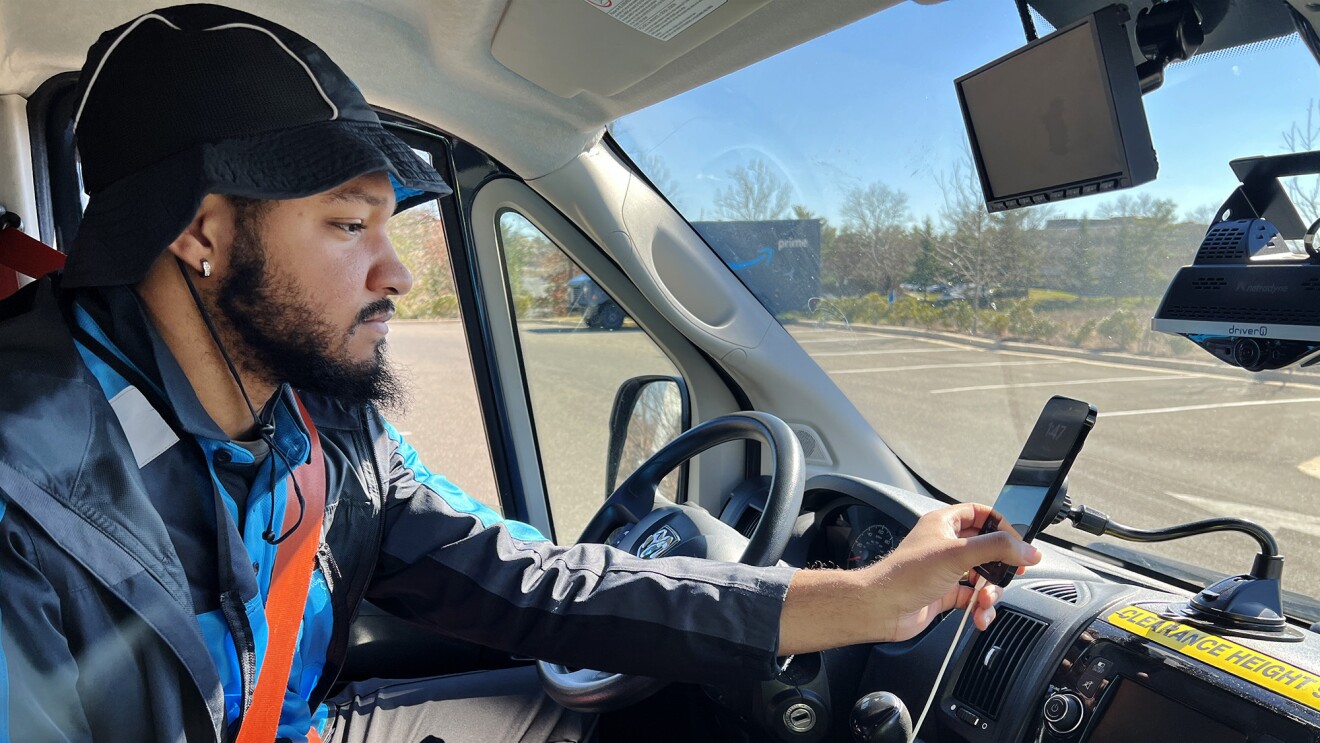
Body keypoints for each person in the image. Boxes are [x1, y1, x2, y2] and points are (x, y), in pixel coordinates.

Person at [0, 5, 1041, 742]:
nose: (397, 269)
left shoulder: (324, 427)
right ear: (199, 234)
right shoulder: (23, 496)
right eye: (349, 223)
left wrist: (862, 596)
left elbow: (538, 581)